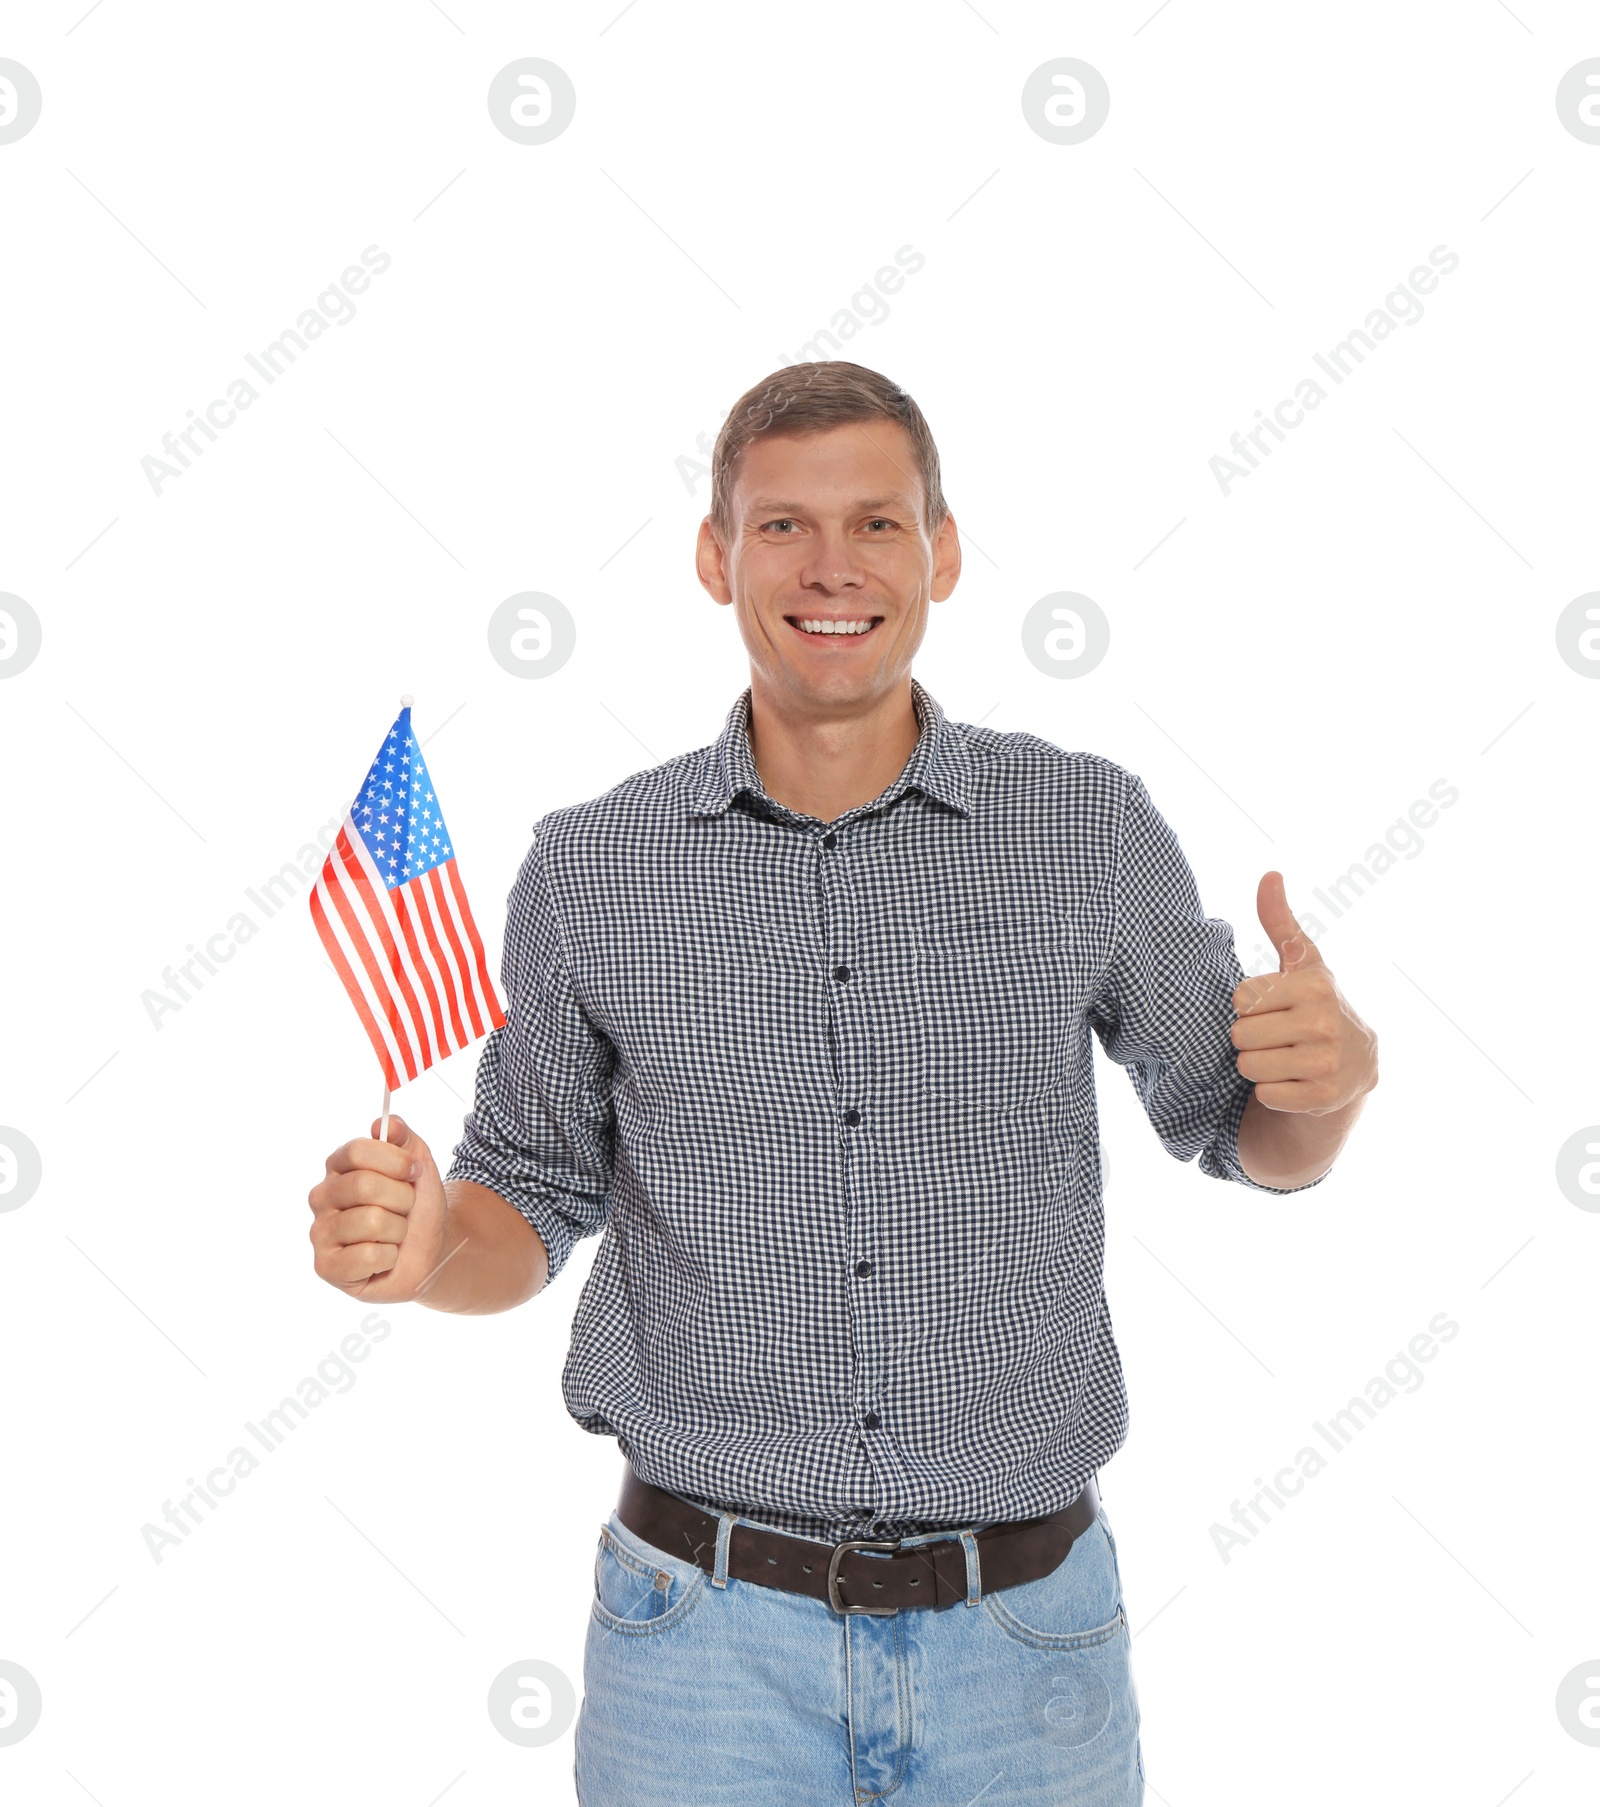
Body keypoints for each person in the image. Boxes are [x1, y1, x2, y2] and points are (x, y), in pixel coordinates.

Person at [307, 361, 1379, 1805]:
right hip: (698, 1654)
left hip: (1028, 1642)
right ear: (715, 556)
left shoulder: (1083, 829)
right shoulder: (593, 870)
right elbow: (528, 1203)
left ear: (941, 552)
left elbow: (1246, 1135)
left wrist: (1326, 1090)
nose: (831, 569)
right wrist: (433, 1249)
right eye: (780, 527)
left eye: (877, 524)